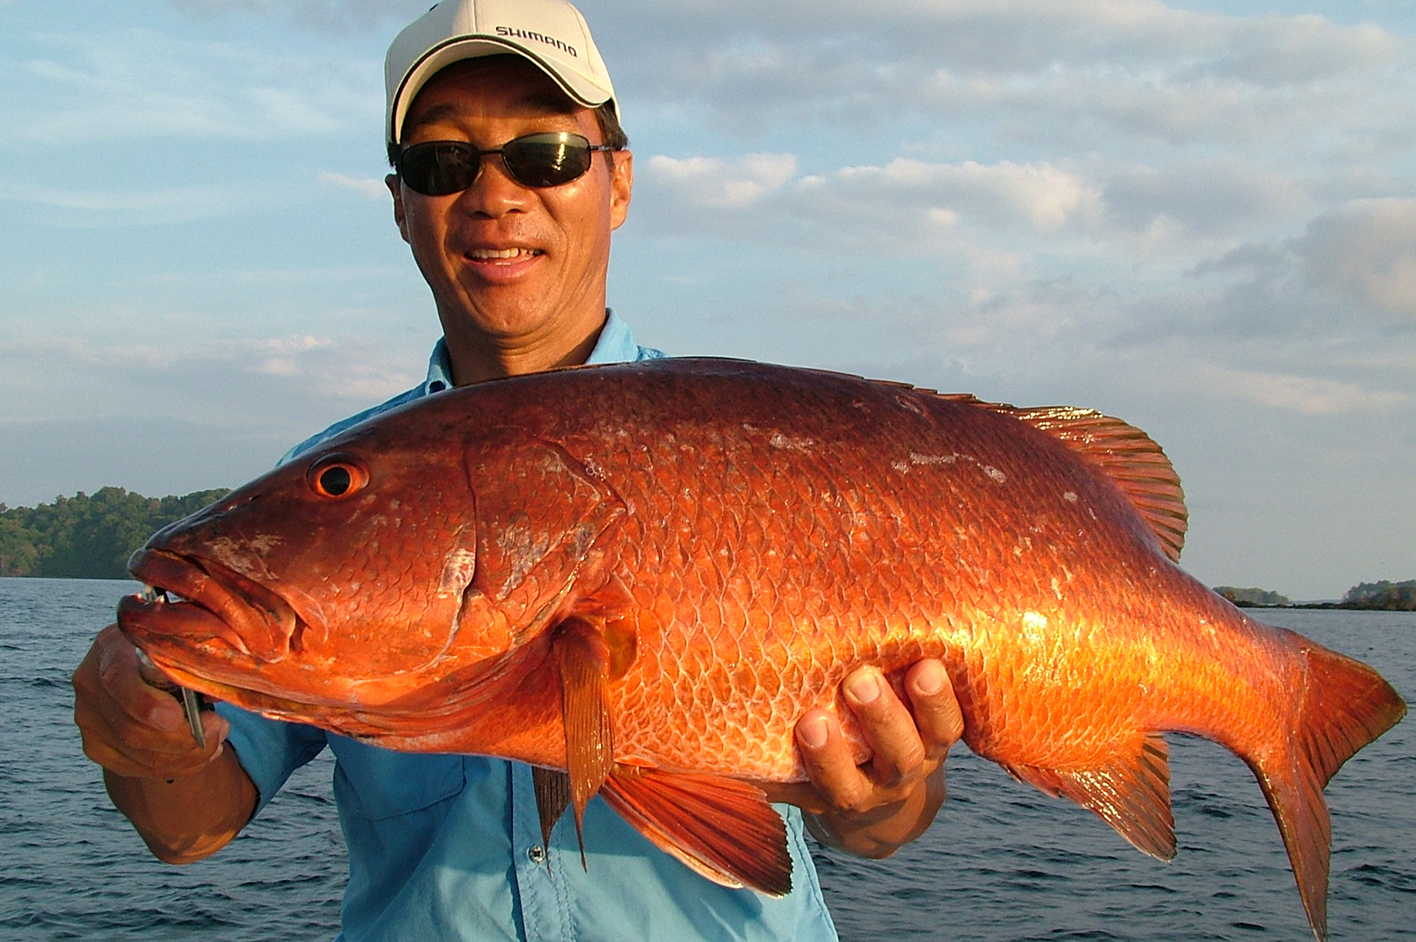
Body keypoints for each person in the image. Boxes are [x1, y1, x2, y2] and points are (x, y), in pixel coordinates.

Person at [71, 1, 965, 939]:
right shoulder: (318, 493)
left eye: (545, 154)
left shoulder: (761, 454)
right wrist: (148, 749)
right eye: (443, 163)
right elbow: (189, 826)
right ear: (401, 207)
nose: (495, 196)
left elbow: (885, 828)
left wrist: (880, 795)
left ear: (617, 183)